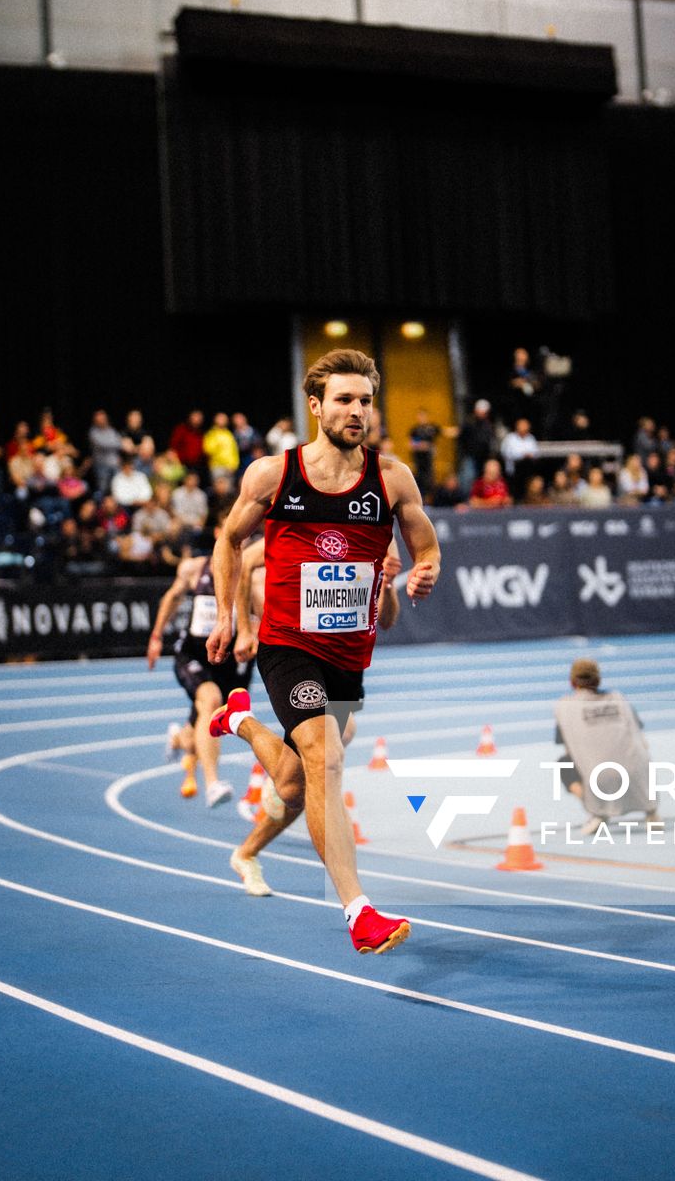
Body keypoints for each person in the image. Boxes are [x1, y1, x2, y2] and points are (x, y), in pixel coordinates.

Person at [205, 348, 439, 955]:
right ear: (316, 406)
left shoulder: (391, 479)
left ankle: (239, 720)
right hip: (287, 646)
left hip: (347, 655)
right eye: (344, 399)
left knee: (291, 781)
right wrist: (229, 613)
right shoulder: (272, 475)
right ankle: (359, 912)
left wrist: (424, 570)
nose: (357, 411)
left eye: (365, 400)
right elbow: (228, 542)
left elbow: (426, 544)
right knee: (325, 756)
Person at [224, 536, 403, 871]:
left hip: (345, 662)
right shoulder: (303, 524)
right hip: (298, 653)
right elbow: (244, 562)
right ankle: (354, 901)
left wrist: (390, 584)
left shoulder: (384, 540)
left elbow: (388, 619)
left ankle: (240, 721)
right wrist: (244, 630)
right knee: (329, 750)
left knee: (293, 787)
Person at [146, 551, 242, 808]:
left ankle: (179, 738)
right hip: (192, 653)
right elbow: (173, 596)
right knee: (210, 701)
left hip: (226, 659)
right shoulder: (194, 569)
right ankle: (212, 784)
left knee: (204, 721)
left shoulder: (251, 568)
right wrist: (156, 637)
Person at [552, 658, 659, 837]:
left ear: (572, 682)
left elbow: (569, 750)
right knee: (639, 751)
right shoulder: (619, 699)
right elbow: (640, 737)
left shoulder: (565, 707)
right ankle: (652, 813)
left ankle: (597, 812)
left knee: (564, 764)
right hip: (638, 776)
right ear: (598, 680)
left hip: (600, 779)